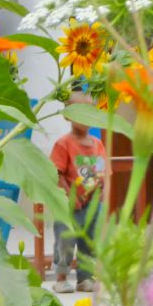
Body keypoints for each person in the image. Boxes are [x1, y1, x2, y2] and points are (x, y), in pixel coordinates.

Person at [50, 92, 106, 293]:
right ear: (68, 116)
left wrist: (100, 191)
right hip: (68, 205)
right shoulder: (63, 144)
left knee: (89, 241)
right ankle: (61, 277)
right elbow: (56, 173)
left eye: (90, 111)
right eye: (80, 112)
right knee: (66, 239)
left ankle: (85, 278)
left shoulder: (98, 144)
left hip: (92, 205)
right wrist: (69, 195)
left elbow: (101, 172)